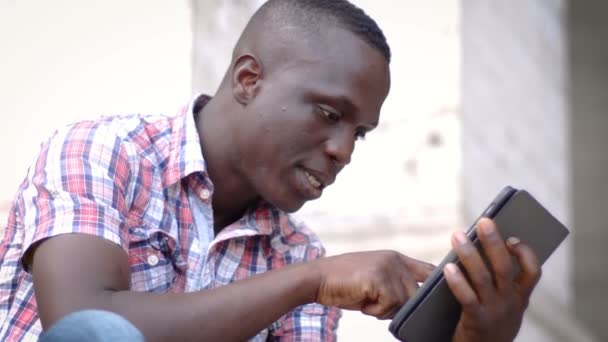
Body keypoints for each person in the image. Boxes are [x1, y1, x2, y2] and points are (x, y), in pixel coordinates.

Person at [0, 0, 541, 341]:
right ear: (249, 80)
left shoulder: (295, 250)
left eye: (360, 133)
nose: (343, 151)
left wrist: (478, 338)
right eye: (330, 115)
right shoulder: (103, 151)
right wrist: (309, 283)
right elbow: (81, 320)